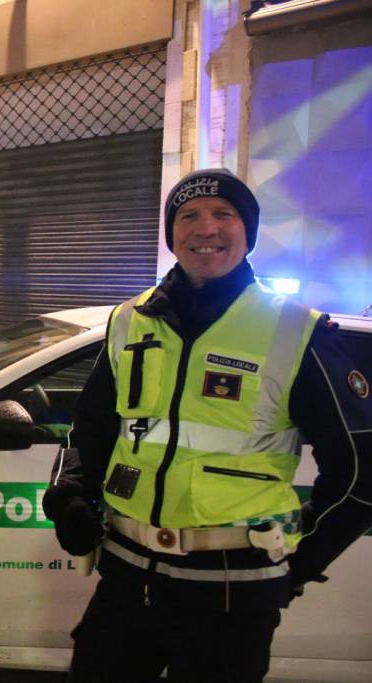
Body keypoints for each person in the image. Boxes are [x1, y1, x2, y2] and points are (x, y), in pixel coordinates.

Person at [42, 168, 372, 683]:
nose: (206, 228)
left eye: (225, 214)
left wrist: (299, 561)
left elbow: (359, 471)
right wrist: (69, 492)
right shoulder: (131, 320)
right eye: (189, 215)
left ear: (249, 231)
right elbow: (90, 425)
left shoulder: (295, 331)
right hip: (127, 577)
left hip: (232, 591)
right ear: (172, 233)